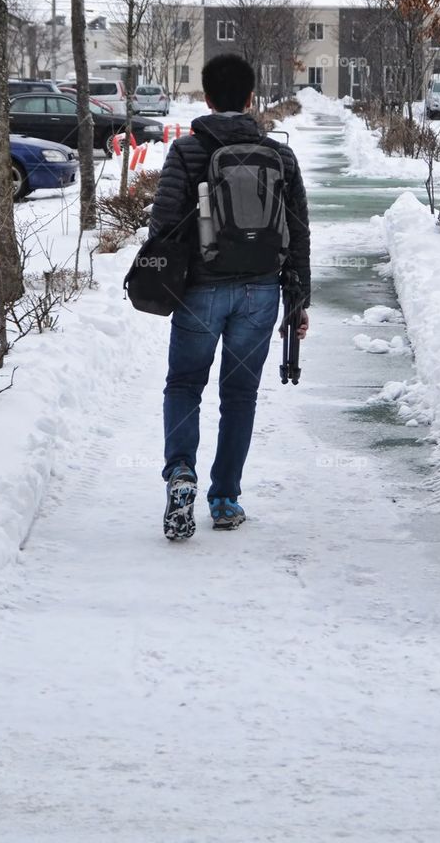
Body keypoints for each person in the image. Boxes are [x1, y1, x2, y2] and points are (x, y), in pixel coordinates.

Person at [148, 53, 311, 541]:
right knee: (238, 395)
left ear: (206, 97)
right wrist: (297, 300)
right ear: (250, 98)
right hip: (260, 293)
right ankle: (225, 499)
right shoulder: (279, 156)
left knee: (184, 386)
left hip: (201, 291)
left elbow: (162, 225)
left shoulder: (187, 152)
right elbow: (299, 233)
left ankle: (181, 475)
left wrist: (165, 280)